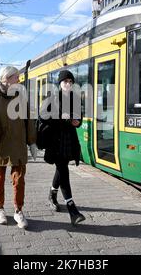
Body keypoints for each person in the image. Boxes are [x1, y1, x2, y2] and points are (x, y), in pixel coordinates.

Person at [0, 66, 38, 229]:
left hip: (18, 144)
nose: (19, 80)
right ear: (6, 78)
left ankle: (18, 211)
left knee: (19, 181)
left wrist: (32, 141)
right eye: (16, 77)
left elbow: (29, 120)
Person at [40, 70, 86, 226]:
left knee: (61, 169)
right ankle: (72, 209)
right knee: (64, 172)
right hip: (55, 141)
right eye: (65, 81)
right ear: (59, 83)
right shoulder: (52, 98)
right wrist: (64, 120)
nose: (68, 84)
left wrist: (77, 122)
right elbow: (42, 116)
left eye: (71, 82)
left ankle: (52, 195)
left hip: (69, 141)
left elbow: (80, 118)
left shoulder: (75, 98)